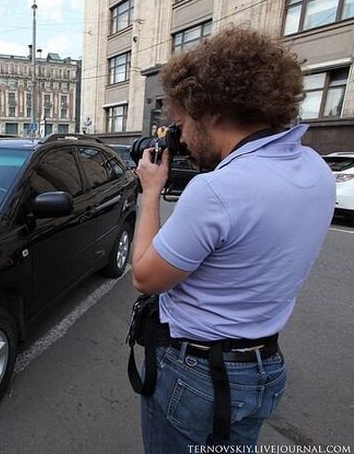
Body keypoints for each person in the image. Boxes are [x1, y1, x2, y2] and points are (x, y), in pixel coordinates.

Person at [130, 27, 335, 452]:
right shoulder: (315, 168)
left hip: (199, 374)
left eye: (183, 123)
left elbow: (146, 278)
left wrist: (151, 191)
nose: (181, 138)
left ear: (213, 111)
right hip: (263, 369)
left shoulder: (217, 191)